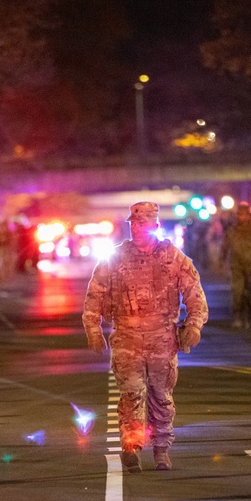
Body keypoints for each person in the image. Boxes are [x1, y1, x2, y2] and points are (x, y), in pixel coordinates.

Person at [82, 201, 208, 472]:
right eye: (132, 224)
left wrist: (194, 325)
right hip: (127, 337)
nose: (136, 228)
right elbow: (95, 295)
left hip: (162, 337)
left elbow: (194, 292)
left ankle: (161, 449)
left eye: (141, 224)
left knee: (161, 395)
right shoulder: (116, 257)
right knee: (131, 393)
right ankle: (132, 447)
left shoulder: (172, 256)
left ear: (155, 225)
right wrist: (93, 329)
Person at [222, 202, 251, 328]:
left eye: (245, 214)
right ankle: (237, 315)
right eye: (240, 214)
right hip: (237, 266)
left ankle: (248, 316)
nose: (242, 217)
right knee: (237, 292)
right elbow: (225, 247)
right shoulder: (232, 231)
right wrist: (222, 261)